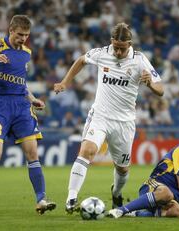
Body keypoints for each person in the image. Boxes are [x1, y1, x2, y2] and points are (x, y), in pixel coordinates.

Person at [54, 22, 164, 213]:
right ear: (111, 42)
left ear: (130, 44)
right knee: (86, 151)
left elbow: (160, 90)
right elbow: (81, 60)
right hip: (100, 116)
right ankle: (71, 198)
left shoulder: (140, 60)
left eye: (122, 49)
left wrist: (150, 85)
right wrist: (65, 82)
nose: (118, 52)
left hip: (124, 122)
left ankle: (116, 193)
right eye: (116, 47)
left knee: (122, 169)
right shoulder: (102, 53)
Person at [0, 15, 56, 215]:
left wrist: (32, 99)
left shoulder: (26, 53)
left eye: (26, 35)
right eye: (20, 35)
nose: (23, 39)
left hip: (22, 106)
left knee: (32, 153)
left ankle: (41, 199)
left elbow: (20, 83)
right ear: (11, 30)